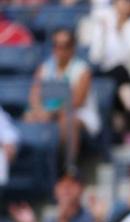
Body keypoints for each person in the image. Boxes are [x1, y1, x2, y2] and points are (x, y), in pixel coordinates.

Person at [77, 0, 130, 139]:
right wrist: (103, 33)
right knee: (116, 73)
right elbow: (96, 57)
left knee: (120, 72)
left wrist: (120, 32)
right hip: (111, 75)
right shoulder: (105, 24)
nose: (123, 5)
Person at [24, 29, 100, 161]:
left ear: (72, 48)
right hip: (48, 111)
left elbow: (77, 101)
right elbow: (34, 95)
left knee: (67, 120)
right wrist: (38, 110)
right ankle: (34, 165)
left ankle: (68, 167)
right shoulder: (44, 68)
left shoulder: (82, 70)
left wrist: (52, 112)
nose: (60, 50)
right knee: (29, 118)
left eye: (65, 46)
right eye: (56, 45)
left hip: (79, 113)